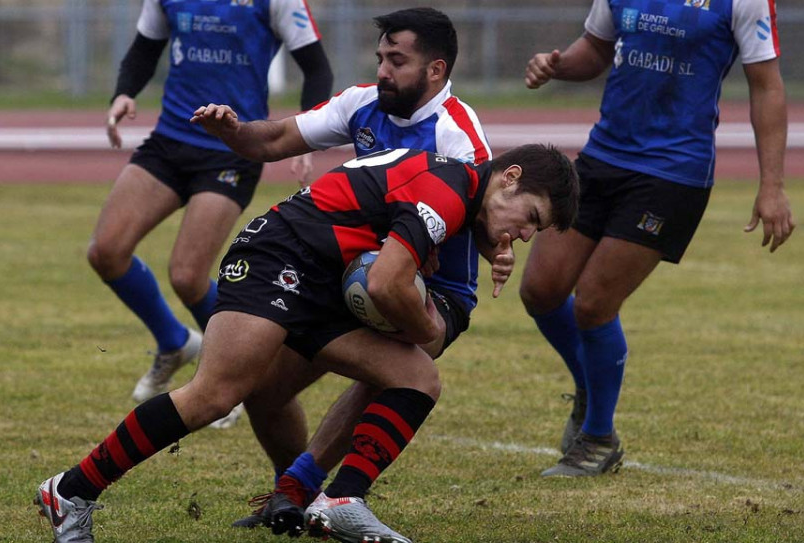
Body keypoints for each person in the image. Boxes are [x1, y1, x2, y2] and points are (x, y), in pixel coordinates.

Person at [34, 144, 581, 543]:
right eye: (530, 218)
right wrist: (428, 328)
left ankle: (343, 500)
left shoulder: (459, 191)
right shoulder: (446, 190)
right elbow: (389, 282)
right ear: (508, 178)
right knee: (216, 394)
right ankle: (72, 490)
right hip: (281, 255)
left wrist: (482, 254)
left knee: (417, 376)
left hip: (324, 282)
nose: (525, 235)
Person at [191, 7, 495, 532]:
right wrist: (234, 132)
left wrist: (499, 247)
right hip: (357, 270)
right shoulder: (362, 104)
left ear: (436, 71)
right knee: (263, 390)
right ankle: (292, 497)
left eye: (397, 61)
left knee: (397, 370)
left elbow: (489, 211)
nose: (382, 70)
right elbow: (271, 141)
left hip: (430, 291)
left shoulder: (458, 136)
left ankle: (306, 494)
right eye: (380, 57)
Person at [521, 0, 795, 477]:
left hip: (672, 172)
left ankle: (598, 439)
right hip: (603, 156)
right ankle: (590, 383)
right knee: (541, 289)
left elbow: (766, 88)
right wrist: (559, 65)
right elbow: (597, 49)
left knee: (593, 302)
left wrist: (772, 185)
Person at [91, 0, 332, 418]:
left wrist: (307, 138)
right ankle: (174, 342)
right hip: (169, 142)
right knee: (106, 251)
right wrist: (123, 94)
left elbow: (317, 68)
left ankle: (238, 378)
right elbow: (145, 48)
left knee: (187, 275)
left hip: (232, 150)